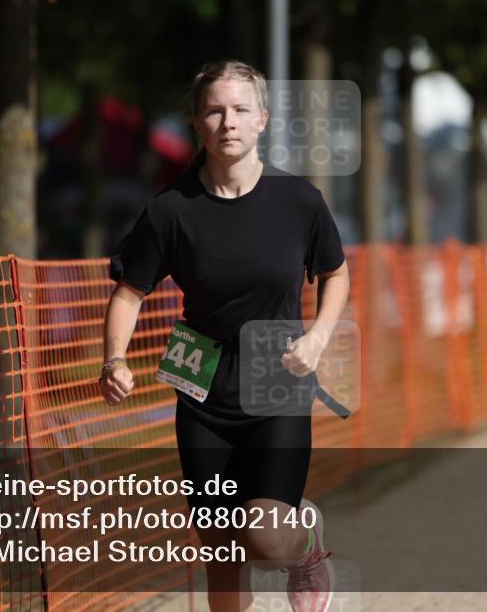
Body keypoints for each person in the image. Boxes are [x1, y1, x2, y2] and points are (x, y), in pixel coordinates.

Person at [100, 60, 351, 612]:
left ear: (262, 119)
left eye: (240, 110)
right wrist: (114, 358)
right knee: (220, 549)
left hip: (275, 376)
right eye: (215, 110)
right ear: (196, 123)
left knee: (263, 535)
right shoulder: (171, 210)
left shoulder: (299, 201)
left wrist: (316, 338)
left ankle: (305, 547)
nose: (228, 122)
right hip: (202, 384)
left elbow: (335, 272)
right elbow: (129, 291)